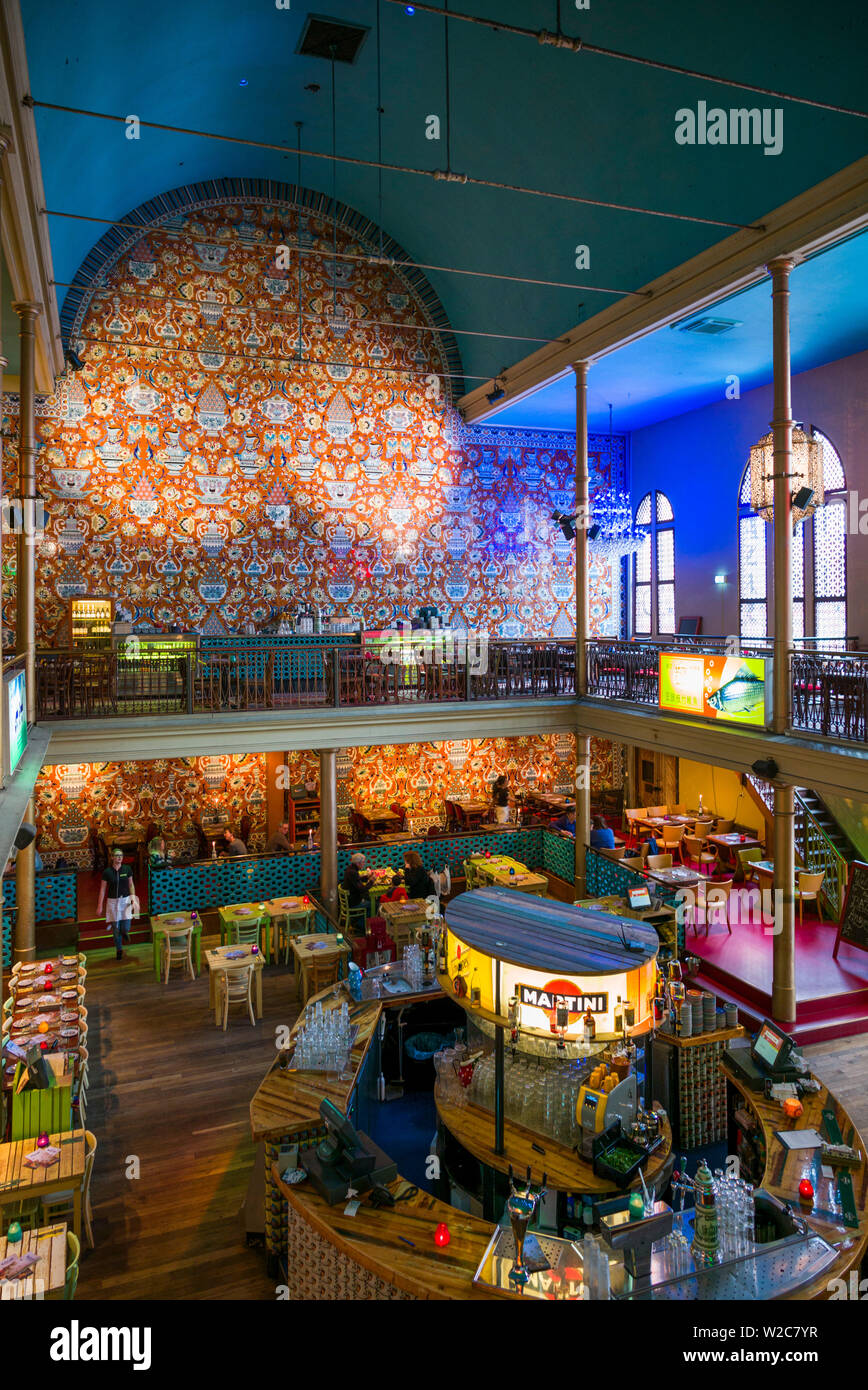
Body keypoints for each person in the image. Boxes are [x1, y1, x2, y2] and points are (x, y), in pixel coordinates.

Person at [96, 848, 137, 960]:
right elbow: (103, 889)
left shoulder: (127, 869)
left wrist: (133, 898)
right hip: (113, 902)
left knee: (125, 927)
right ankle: (119, 949)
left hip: (126, 900)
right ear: (112, 857)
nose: (119, 857)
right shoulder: (107, 872)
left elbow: (131, 885)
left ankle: (125, 932)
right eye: (117, 855)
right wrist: (99, 905)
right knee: (115, 928)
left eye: (121, 855)